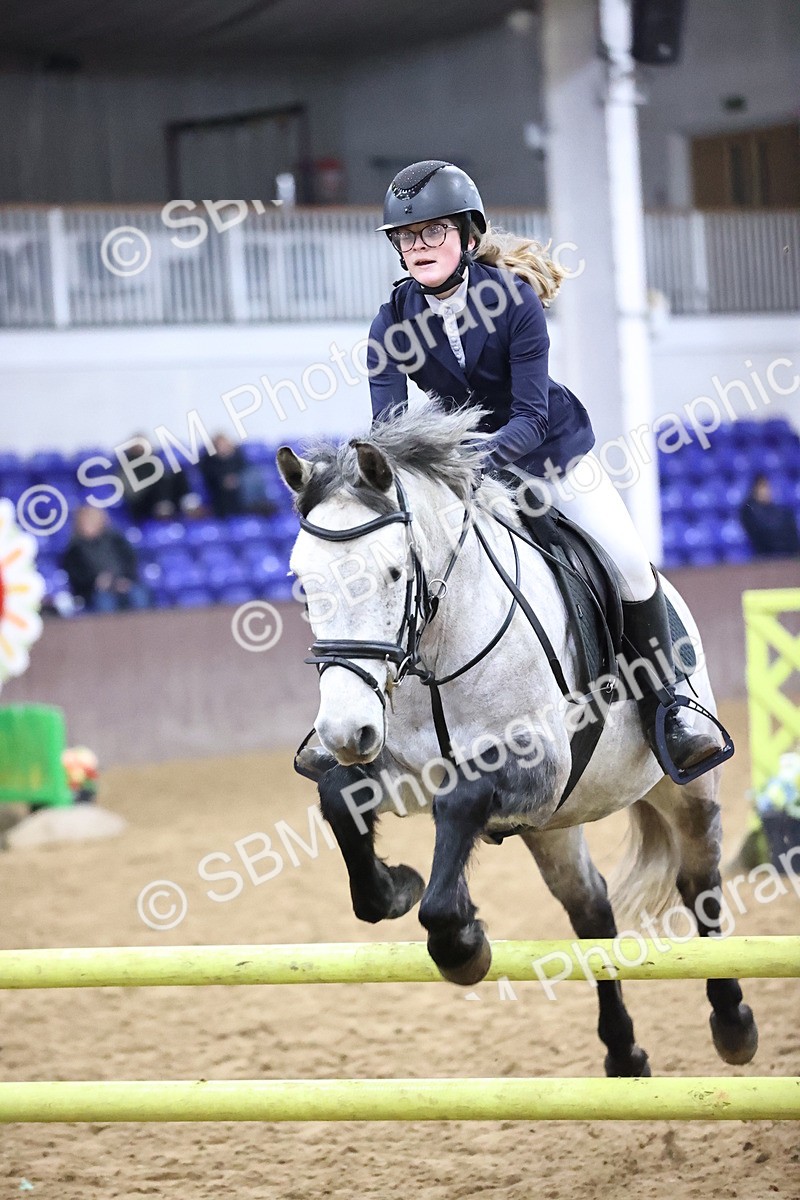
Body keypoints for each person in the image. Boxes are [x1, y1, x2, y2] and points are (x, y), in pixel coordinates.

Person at [367, 159, 723, 781]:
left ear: (467, 236)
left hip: (552, 457)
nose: (419, 246)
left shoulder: (513, 301)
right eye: (408, 236)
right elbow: (391, 431)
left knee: (630, 564)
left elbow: (529, 416)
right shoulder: (391, 322)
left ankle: (674, 705)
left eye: (434, 232)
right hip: (468, 475)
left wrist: (462, 465)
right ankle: (367, 716)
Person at [61, 506, 149, 613]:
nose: (89, 525)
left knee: (138, 594)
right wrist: (95, 582)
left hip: (123, 582)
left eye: (92, 520)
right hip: (95, 590)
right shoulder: (74, 549)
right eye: (86, 521)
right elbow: (76, 576)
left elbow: (130, 561)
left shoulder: (116, 540)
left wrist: (125, 579)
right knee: (105, 601)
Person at [740, 474, 800, 558]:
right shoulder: (749, 509)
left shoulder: (779, 510)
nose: (767, 491)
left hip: (788, 553)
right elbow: (763, 532)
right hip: (766, 555)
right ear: (754, 489)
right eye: (762, 487)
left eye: (767, 487)